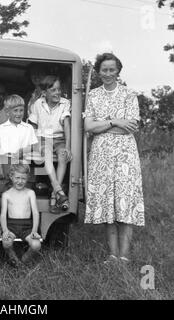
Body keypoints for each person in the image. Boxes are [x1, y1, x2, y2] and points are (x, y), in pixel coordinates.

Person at [84, 52, 145, 264]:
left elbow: (130, 128)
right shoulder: (92, 95)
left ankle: (124, 256)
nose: (108, 73)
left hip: (125, 156)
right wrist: (114, 121)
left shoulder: (129, 94)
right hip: (101, 156)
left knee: (125, 203)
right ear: (99, 72)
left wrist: (105, 125)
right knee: (107, 202)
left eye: (112, 69)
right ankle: (112, 255)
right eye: (104, 70)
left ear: (118, 71)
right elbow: (89, 127)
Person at [28, 75, 72, 212]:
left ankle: (55, 194)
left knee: (63, 156)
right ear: (44, 93)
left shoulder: (65, 103)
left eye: (58, 89)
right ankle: (59, 192)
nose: (57, 93)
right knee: (46, 154)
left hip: (59, 139)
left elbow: (67, 126)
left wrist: (68, 147)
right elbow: (33, 126)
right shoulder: (38, 104)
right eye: (53, 90)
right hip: (42, 138)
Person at [0, 164, 41, 267]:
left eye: (23, 178)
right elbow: (3, 214)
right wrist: (5, 230)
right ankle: (14, 260)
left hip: (27, 226)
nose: (20, 181)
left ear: (28, 178)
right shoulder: (6, 194)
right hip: (11, 226)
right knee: (6, 243)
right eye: (17, 178)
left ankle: (23, 261)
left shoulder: (30, 193)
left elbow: (35, 212)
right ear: (11, 177)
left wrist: (34, 231)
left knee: (36, 245)